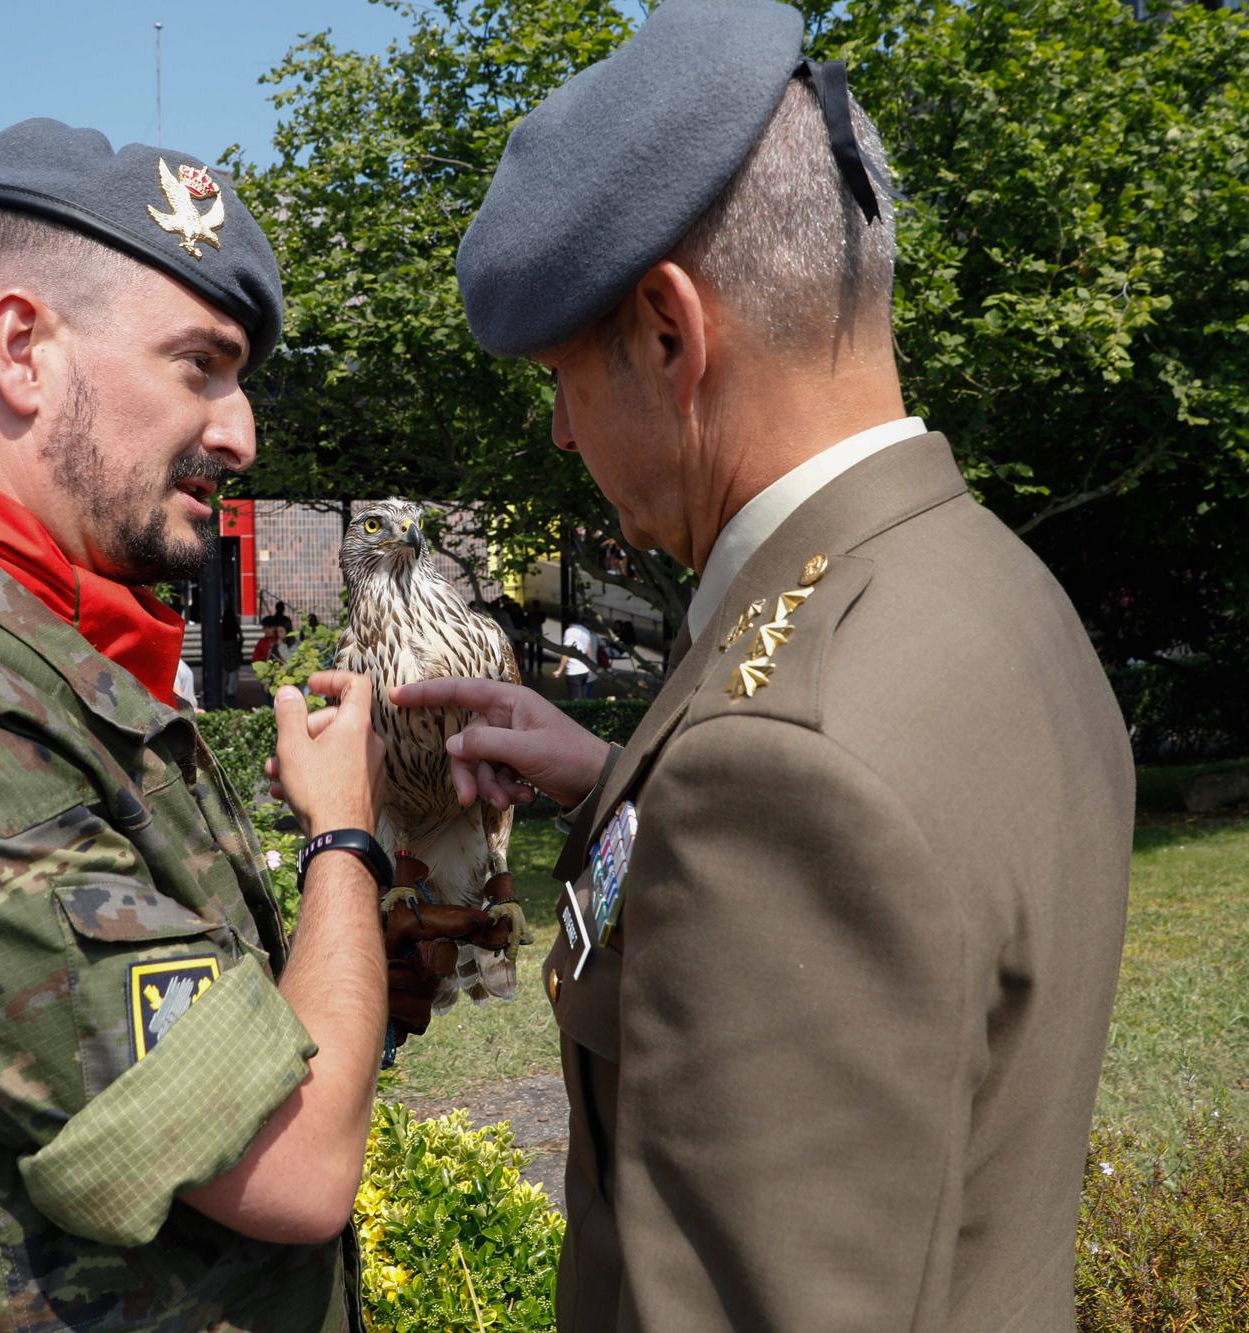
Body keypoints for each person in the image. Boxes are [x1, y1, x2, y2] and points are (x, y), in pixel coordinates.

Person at [395, 2, 1134, 1327]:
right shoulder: (984, 584)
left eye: (561, 375)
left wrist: (704, 795)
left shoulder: (787, 771)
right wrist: (615, 781)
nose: (561, 433)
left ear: (672, 336)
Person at [0, 118, 485, 1328]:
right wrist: (342, 837)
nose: (239, 431)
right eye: (198, 365)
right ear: (22, 349)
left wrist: (383, 940)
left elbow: (193, 1034)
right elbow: (299, 1161)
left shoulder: (23, 656)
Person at [552, 618, 599, 699]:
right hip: (584, 670)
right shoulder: (585, 631)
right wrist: (590, 667)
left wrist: (559, 670)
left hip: (573, 670)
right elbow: (589, 651)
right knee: (583, 697)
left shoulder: (570, 631)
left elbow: (567, 652)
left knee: (575, 698)